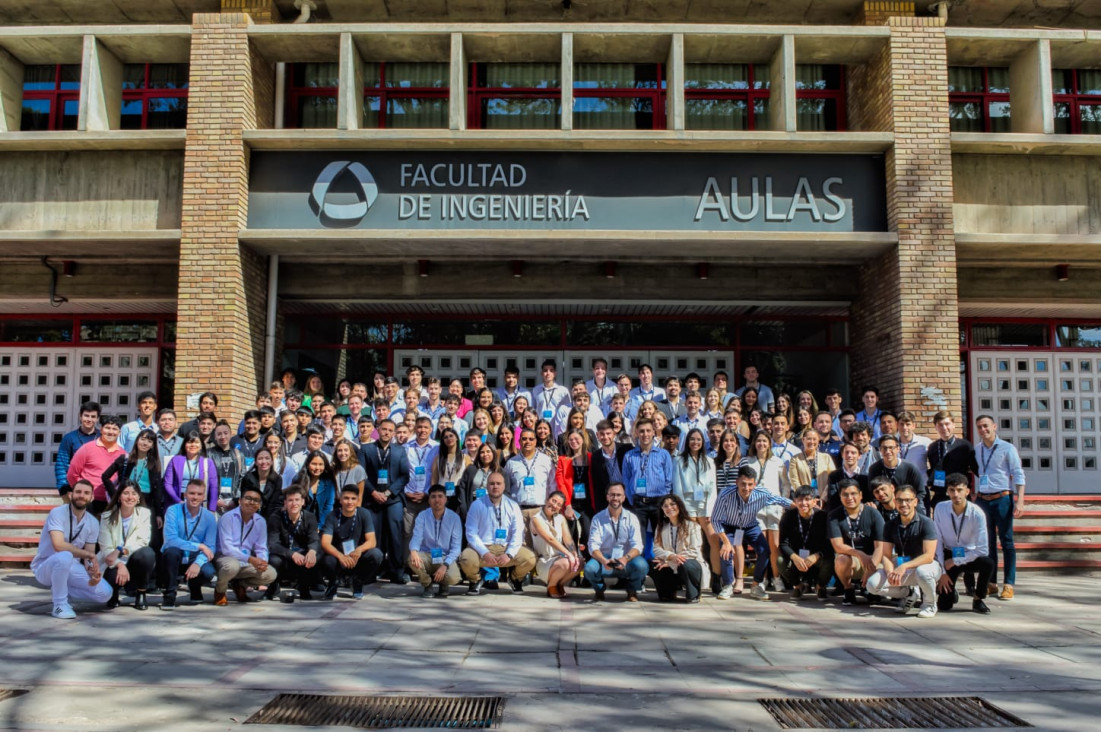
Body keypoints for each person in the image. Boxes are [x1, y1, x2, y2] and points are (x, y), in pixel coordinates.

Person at [30, 479, 112, 619]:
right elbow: (58, 545)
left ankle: (61, 590)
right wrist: (88, 555)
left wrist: (92, 571)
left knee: (105, 593)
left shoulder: (92, 522)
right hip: (46, 566)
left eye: (86, 493)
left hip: (70, 566)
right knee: (65, 556)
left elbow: (89, 556)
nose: (82, 495)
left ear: (91, 498)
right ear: (70, 495)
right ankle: (59, 605)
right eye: (78, 492)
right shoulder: (57, 513)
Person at [711, 465, 792, 600]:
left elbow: (780, 500)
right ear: (737, 482)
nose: (746, 488)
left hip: (750, 526)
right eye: (743, 484)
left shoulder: (761, 493)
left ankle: (756, 585)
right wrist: (725, 541)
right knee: (726, 551)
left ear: (755, 484)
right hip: (729, 526)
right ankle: (727, 586)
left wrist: (800, 506)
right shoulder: (725, 494)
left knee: (765, 550)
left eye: (750, 484)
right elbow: (715, 519)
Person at [866, 485, 943, 618]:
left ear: (915, 502)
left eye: (908, 500)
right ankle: (909, 593)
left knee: (922, 572)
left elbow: (929, 556)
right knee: (872, 585)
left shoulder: (926, 522)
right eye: (900, 500)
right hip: (903, 567)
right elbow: (886, 555)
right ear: (895, 502)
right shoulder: (890, 525)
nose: (904, 504)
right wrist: (890, 572)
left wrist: (904, 566)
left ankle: (930, 604)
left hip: (926, 566)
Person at [974, 414, 1026, 601]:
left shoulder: (1007, 448)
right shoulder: (977, 449)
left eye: (986, 426)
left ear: (994, 426)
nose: (983, 430)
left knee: (1007, 541)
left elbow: (1018, 474)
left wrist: (1020, 501)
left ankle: (1009, 584)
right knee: (987, 543)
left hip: (1002, 498)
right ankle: (992, 583)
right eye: (979, 427)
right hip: (983, 499)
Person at [461, 470, 537, 594]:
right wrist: (484, 552)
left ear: (504, 486)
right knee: (466, 558)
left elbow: (518, 532)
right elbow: (471, 533)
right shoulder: (477, 505)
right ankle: (475, 580)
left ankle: (515, 579)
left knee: (530, 558)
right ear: (487, 486)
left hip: (505, 547)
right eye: (491, 483)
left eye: (498, 483)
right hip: (483, 547)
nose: (495, 486)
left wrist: (509, 554)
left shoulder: (513, 506)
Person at [359, 419, 411, 584]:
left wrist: (388, 493)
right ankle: (372, 571)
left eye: (390, 430)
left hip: (393, 498)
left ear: (394, 433)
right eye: (384, 429)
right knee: (374, 534)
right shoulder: (366, 449)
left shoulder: (399, 450)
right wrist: (373, 492)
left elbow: (404, 475)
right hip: (371, 498)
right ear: (378, 430)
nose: (387, 432)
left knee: (395, 533)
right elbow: (361, 474)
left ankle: (396, 571)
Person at [933, 474, 994, 614]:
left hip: (970, 555)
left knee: (988, 563)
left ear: (967, 491)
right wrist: (942, 571)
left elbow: (982, 550)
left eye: (960, 490)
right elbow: (938, 541)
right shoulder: (940, 508)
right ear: (947, 492)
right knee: (944, 606)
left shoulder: (977, 513)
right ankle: (950, 592)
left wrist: (955, 561)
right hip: (948, 553)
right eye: (952, 490)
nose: (956, 494)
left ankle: (978, 599)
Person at [97, 481, 156, 611]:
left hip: (133, 559)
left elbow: (143, 540)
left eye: (134, 494)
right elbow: (106, 548)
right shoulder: (106, 517)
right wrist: (120, 564)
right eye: (126, 493)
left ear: (139, 497)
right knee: (111, 579)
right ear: (119, 497)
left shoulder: (144, 514)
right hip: (113, 563)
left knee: (147, 554)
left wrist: (121, 549)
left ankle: (141, 592)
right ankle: (114, 594)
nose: (130, 497)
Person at [160, 479, 218, 609]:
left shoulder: (209, 517)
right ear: (185, 495)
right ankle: (169, 594)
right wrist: (199, 545)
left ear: (203, 497)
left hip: (194, 556)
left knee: (208, 571)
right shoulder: (173, 510)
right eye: (191, 493)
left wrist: (197, 563)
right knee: (171, 551)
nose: (195, 497)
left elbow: (211, 547)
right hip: (176, 555)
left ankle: (195, 586)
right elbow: (171, 539)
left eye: (199, 494)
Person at [214, 484, 277, 605]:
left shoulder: (260, 521)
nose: (252, 502)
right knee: (232, 566)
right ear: (240, 501)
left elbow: (261, 547)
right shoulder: (227, 518)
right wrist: (250, 559)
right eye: (248, 498)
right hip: (224, 558)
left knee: (270, 573)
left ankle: (240, 586)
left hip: (246, 561)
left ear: (259, 505)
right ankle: (220, 591)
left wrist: (262, 561)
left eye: (256, 500)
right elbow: (227, 548)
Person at [585, 482, 648, 602]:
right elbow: (593, 545)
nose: (615, 498)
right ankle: (599, 590)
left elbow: (638, 545)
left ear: (624, 497)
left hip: (626, 560)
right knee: (589, 569)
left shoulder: (632, 518)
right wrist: (604, 560)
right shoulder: (598, 518)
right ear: (607, 497)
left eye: (619, 495)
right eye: (612, 494)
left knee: (642, 565)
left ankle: (632, 590)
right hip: (605, 559)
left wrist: (625, 559)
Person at [320, 485, 385, 599]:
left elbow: (372, 541)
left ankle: (357, 581)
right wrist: (340, 556)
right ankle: (333, 582)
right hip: (338, 558)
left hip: (356, 558)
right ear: (340, 500)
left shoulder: (364, 513)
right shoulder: (332, 515)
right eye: (346, 498)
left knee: (376, 555)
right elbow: (325, 542)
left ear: (358, 500)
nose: (349, 502)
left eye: (353, 498)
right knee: (327, 560)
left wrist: (359, 550)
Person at [828, 478, 885, 606]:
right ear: (840, 497)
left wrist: (870, 568)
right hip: (852, 559)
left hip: (873, 559)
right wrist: (859, 554)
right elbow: (838, 546)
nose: (850, 497)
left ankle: (870, 588)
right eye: (845, 494)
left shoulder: (874, 513)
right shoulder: (834, 515)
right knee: (841, 559)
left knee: (874, 586)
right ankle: (848, 589)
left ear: (860, 495)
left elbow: (880, 547)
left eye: (853, 494)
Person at [101, 428, 165, 528]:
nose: (145, 443)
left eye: (149, 441)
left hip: (146, 502)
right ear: (137, 441)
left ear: (153, 445)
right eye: (143, 439)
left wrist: (158, 514)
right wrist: (115, 495)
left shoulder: (154, 464)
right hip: (127, 500)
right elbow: (105, 476)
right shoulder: (124, 459)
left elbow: (158, 489)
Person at [407, 484, 464, 598]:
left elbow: (456, 548)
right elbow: (416, 537)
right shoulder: (422, 516)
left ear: (446, 499)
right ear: (428, 500)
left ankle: (444, 583)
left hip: (445, 557)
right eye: (433, 496)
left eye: (440, 496)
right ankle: (428, 584)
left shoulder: (454, 518)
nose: (437, 500)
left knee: (454, 577)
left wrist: (445, 565)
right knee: (412, 559)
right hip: (427, 556)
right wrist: (413, 551)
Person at [266, 484, 320, 601]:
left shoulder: (310, 517)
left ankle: (304, 587)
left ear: (303, 502)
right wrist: (292, 554)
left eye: (297, 500)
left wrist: (312, 551)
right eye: (290, 500)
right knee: (274, 560)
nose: (294, 503)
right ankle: (273, 586)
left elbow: (314, 538)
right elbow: (273, 544)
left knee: (314, 555)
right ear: (285, 503)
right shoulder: (275, 518)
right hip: (284, 554)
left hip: (302, 553)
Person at [778, 485, 833, 600]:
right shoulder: (788, 517)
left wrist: (817, 555)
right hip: (797, 557)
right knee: (780, 560)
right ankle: (799, 586)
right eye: (800, 499)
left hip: (816, 557)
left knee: (830, 559)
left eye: (807, 499)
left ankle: (820, 586)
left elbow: (829, 544)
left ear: (814, 501)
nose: (804, 503)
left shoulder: (823, 516)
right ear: (795, 501)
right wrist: (794, 557)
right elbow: (783, 543)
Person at [621, 418, 674, 535]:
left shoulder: (663, 454)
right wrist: (632, 500)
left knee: (661, 539)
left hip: (659, 502)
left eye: (648, 431)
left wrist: (664, 498)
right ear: (637, 433)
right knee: (639, 540)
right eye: (642, 431)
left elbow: (669, 479)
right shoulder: (629, 455)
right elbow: (626, 479)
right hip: (638, 503)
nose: (645, 434)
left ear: (654, 432)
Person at [66, 416, 127, 515]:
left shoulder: (123, 454)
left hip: (111, 502)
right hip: (88, 502)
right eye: (107, 428)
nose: (111, 432)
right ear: (101, 429)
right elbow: (72, 474)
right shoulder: (87, 448)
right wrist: (83, 493)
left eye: (115, 429)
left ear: (119, 433)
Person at [652, 493, 704, 603]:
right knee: (654, 563)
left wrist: (671, 561)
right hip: (671, 563)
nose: (669, 508)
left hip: (689, 564)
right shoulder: (661, 526)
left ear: (679, 506)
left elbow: (694, 550)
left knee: (686, 564)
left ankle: (693, 594)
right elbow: (656, 548)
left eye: (672, 504)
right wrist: (670, 556)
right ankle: (668, 593)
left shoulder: (692, 525)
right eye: (665, 506)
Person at [530, 490, 581, 598]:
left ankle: (559, 584)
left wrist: (574, 553)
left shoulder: (560, 518)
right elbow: (550, 539)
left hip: (559, 558)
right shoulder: (536, 519)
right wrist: (569, 555)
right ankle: (551, 586)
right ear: (547, 499)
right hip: (545, 560)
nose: (554, 505)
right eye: (553, 501)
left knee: (580, 563)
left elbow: (568, 539)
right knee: (566, 563)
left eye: (558, 504)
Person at [504, 428, 557, 529]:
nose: (527, 441)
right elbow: (506, 489)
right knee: (522, 544)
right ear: (519, 441)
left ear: (536, 441)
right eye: (524, 439)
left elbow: (552, 485)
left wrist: (551, 509)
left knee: (541, 544)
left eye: (531, 439)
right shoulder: (511, 463)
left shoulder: (546, 461)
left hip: (541, 511)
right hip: (519, 511)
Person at [927, 411, 977, 508]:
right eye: (940, 425)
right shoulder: (932, 447)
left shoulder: (964, 446)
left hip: (959, 494)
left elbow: (975, 468)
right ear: (936, 427)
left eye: (947, 424)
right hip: (940, 495)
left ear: (953, 425)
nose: (944, 428)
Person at [868, 434, 928, 510]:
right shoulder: (874, 468)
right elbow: (872, 492)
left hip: (908, 506)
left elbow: (921, 492)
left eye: (891, 448)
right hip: (884, 506)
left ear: (898, 449)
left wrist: (909, 504)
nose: (888, 451)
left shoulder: (910, 468)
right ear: (880, 450)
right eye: (884, 448)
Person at [55, 401, 100, 501]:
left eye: (93, 417)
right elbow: (61, 464)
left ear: (97, 419)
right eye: (86, 416)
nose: (89, 419)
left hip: (98, 488)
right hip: (74, 487)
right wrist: (63, 488)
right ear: (80, 416)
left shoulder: (103, 437)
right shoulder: (69, 438)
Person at [162, 431, 219, 511]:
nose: (193, 445)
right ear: (184, 444)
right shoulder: (175, 460)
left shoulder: (208, 462)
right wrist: (178, 501)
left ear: (201, 445)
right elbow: (167, 484)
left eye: (196, 442)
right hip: (178, 503)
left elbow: (214, 487)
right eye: (189, 442)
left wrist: (212, 509)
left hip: (200, 504)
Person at [291, 450, 337, 529]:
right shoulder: (298, 479)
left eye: (320, 464)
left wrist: (319, 527)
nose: (317, 468)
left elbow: (328, 507)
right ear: (308, 464)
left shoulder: (329, 482)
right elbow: (295, 505)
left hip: (322, 524)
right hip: (301, 524)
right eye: (314, 464)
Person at [788, 429, 834, 505]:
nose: (812, 442)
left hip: (825, 500)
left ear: (818, 440)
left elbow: (832, 478)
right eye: (809, 439)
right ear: (803, 440)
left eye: (814, 439)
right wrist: (806, 498)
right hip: (804, 501)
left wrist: (823, 499)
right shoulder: (795, 459)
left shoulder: (826, 457)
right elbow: (794, 481)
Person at [825, 442, 870, 514]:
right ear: (842, 455)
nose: (849, 455)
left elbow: (867, 499)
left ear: (859, 456)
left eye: (853, 453)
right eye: (847, 452)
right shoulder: (834, 476)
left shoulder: (865, 477)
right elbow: (833, 500)